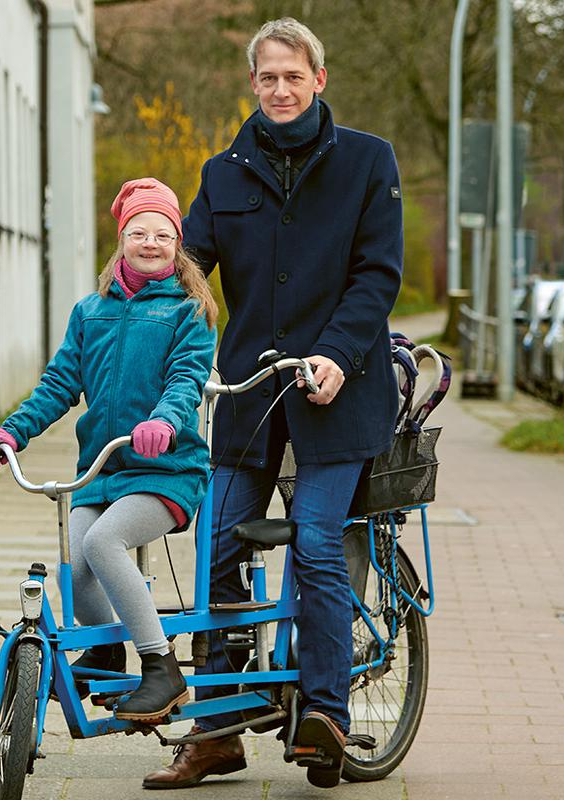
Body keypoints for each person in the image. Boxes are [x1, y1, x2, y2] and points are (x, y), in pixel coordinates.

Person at [142, 18, 403, 790]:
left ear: (319, 79)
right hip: (249, 394)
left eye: (293, 76)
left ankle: (325, 716)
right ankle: (219, 727)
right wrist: (140, 284)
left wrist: (338, 353)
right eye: (267, 78)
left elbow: (377, 275)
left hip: (339, 388)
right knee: (215, 544)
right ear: (252, 84)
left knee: (317, 544)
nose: (280, 89)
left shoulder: (366, 160)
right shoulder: (225, 172)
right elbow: (191, 263)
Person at [0, 178, 218, 723]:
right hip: (101, 472)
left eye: (162, 233)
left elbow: (185, 379)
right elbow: (60, 383)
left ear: (177, 244)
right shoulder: (90, 311)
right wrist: (10, 432)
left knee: (107, 541)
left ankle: (162, 668)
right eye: (139, 232)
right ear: (121, 239)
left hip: (165, 470)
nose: (150, 242)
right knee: (75, 560)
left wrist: (165, 420)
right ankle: (106, 651)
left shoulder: (189, 312)